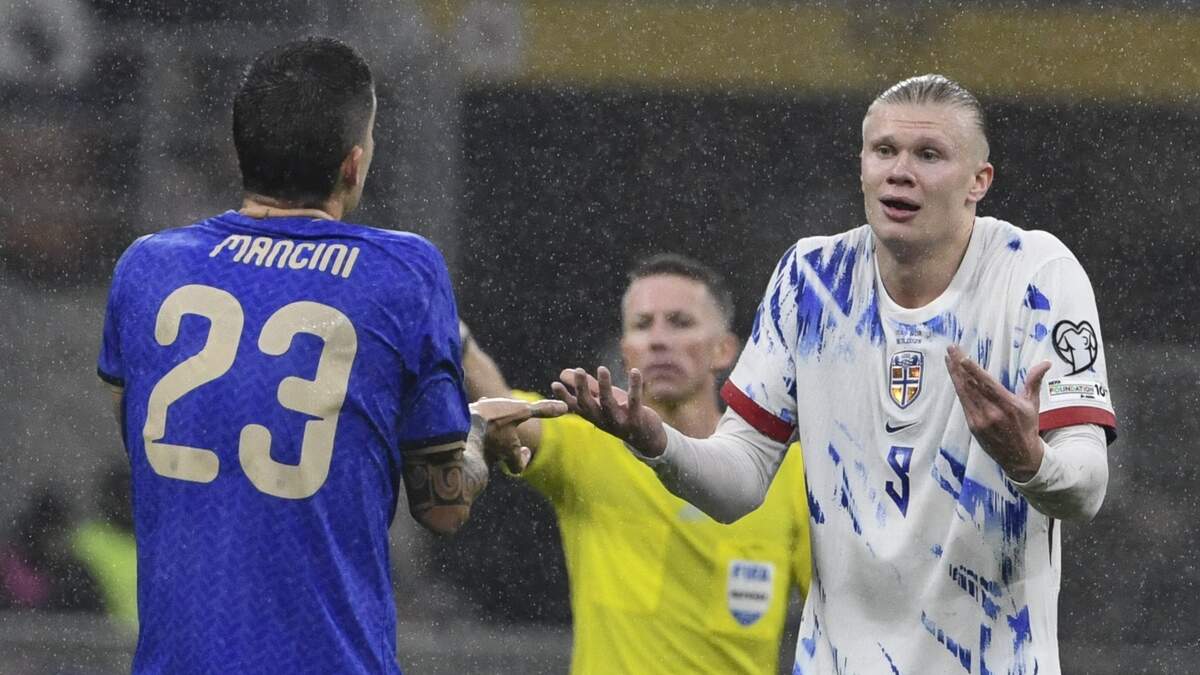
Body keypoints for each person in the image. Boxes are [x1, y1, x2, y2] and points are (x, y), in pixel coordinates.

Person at [554, 75, 1116, 674]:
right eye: (885, 151)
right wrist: (656, 441)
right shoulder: (811, 279)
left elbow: (1085, 487)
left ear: (979, 182)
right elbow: (739, 482)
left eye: (929, 155)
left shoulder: (1035, 276)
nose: (901, 171)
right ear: (863, 167)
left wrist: (1029, 459)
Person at [96, 36, 563, 674]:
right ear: (353, 163)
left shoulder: (147, 267)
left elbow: (138, 430)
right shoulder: (401, 272)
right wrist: (477, 432)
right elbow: (444, 506)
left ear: (241, 152)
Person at [463, 254, 811, 674]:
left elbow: (838, 617)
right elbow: (506, 407)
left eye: (680, 322)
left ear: (724, 349)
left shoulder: (784, 472)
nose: (659, 340)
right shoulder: (591, 448)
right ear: (627, 350)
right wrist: (452, 334)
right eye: (643, 325)